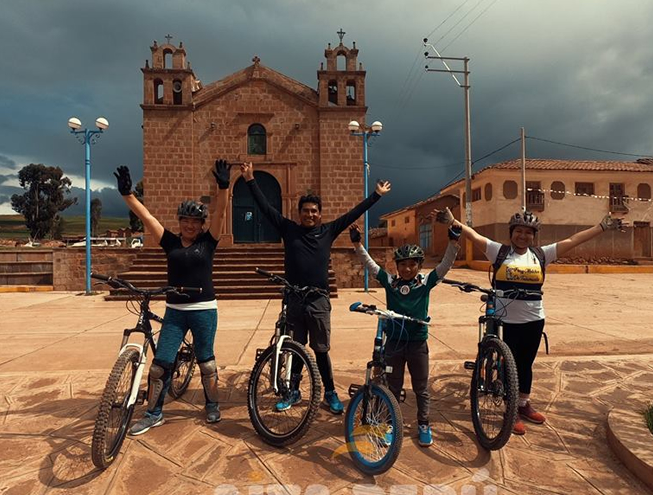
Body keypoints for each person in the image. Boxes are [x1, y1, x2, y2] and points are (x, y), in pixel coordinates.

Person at [436, 207, 626, 435]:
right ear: (511, 232)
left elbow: (573, 240)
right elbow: (475, 236)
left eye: (528, 232)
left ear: (534, 236)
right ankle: (511, 410)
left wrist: (602, 227)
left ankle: (523, 403)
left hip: (534, 319)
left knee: (526, 364)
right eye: (518, 231)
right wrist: (453, 221)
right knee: (510, 364)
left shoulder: (541, 255)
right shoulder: (499, 252)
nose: (523, 236)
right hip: (505, 321)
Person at [239, 162, 391, 414]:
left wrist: (376, 195)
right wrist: (249, 179)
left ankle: (330, 392)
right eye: (305, 211)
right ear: (299, 213)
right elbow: (266, 209)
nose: (309, 214)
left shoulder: (328, 230)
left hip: (318, 300)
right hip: (295, 299)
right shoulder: (289, 230)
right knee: (297, 349)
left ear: (320, 213)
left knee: (321, 351)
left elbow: (353, 214)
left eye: (314, 211)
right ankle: (294, 391)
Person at [114, 160, 231, 435]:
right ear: (179, 222)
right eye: (185, 220)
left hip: (204, 309)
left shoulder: (208, 241)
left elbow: (221, 212)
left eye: (195, 221)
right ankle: (154, 413)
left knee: (206, 361)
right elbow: (148, 218)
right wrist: (127, 195)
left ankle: (212, 403)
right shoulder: (170, 242)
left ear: (202, 224)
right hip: (175, 311)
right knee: (160, 365)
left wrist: (223, 186)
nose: (190, 225)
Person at [349, 222, 461, 446]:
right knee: (393, 386)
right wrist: (357, 244)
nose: (407, 269)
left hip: (418, 343)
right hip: (395, 344)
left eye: (412, 265)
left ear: (419, 265)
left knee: (421, 387)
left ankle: (423, 423)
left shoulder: (426, 282)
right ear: (396, 266)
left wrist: (453, 242)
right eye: (403, 265)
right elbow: (370, 265)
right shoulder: (391, 282)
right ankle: (389, 424)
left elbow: (446, 265)